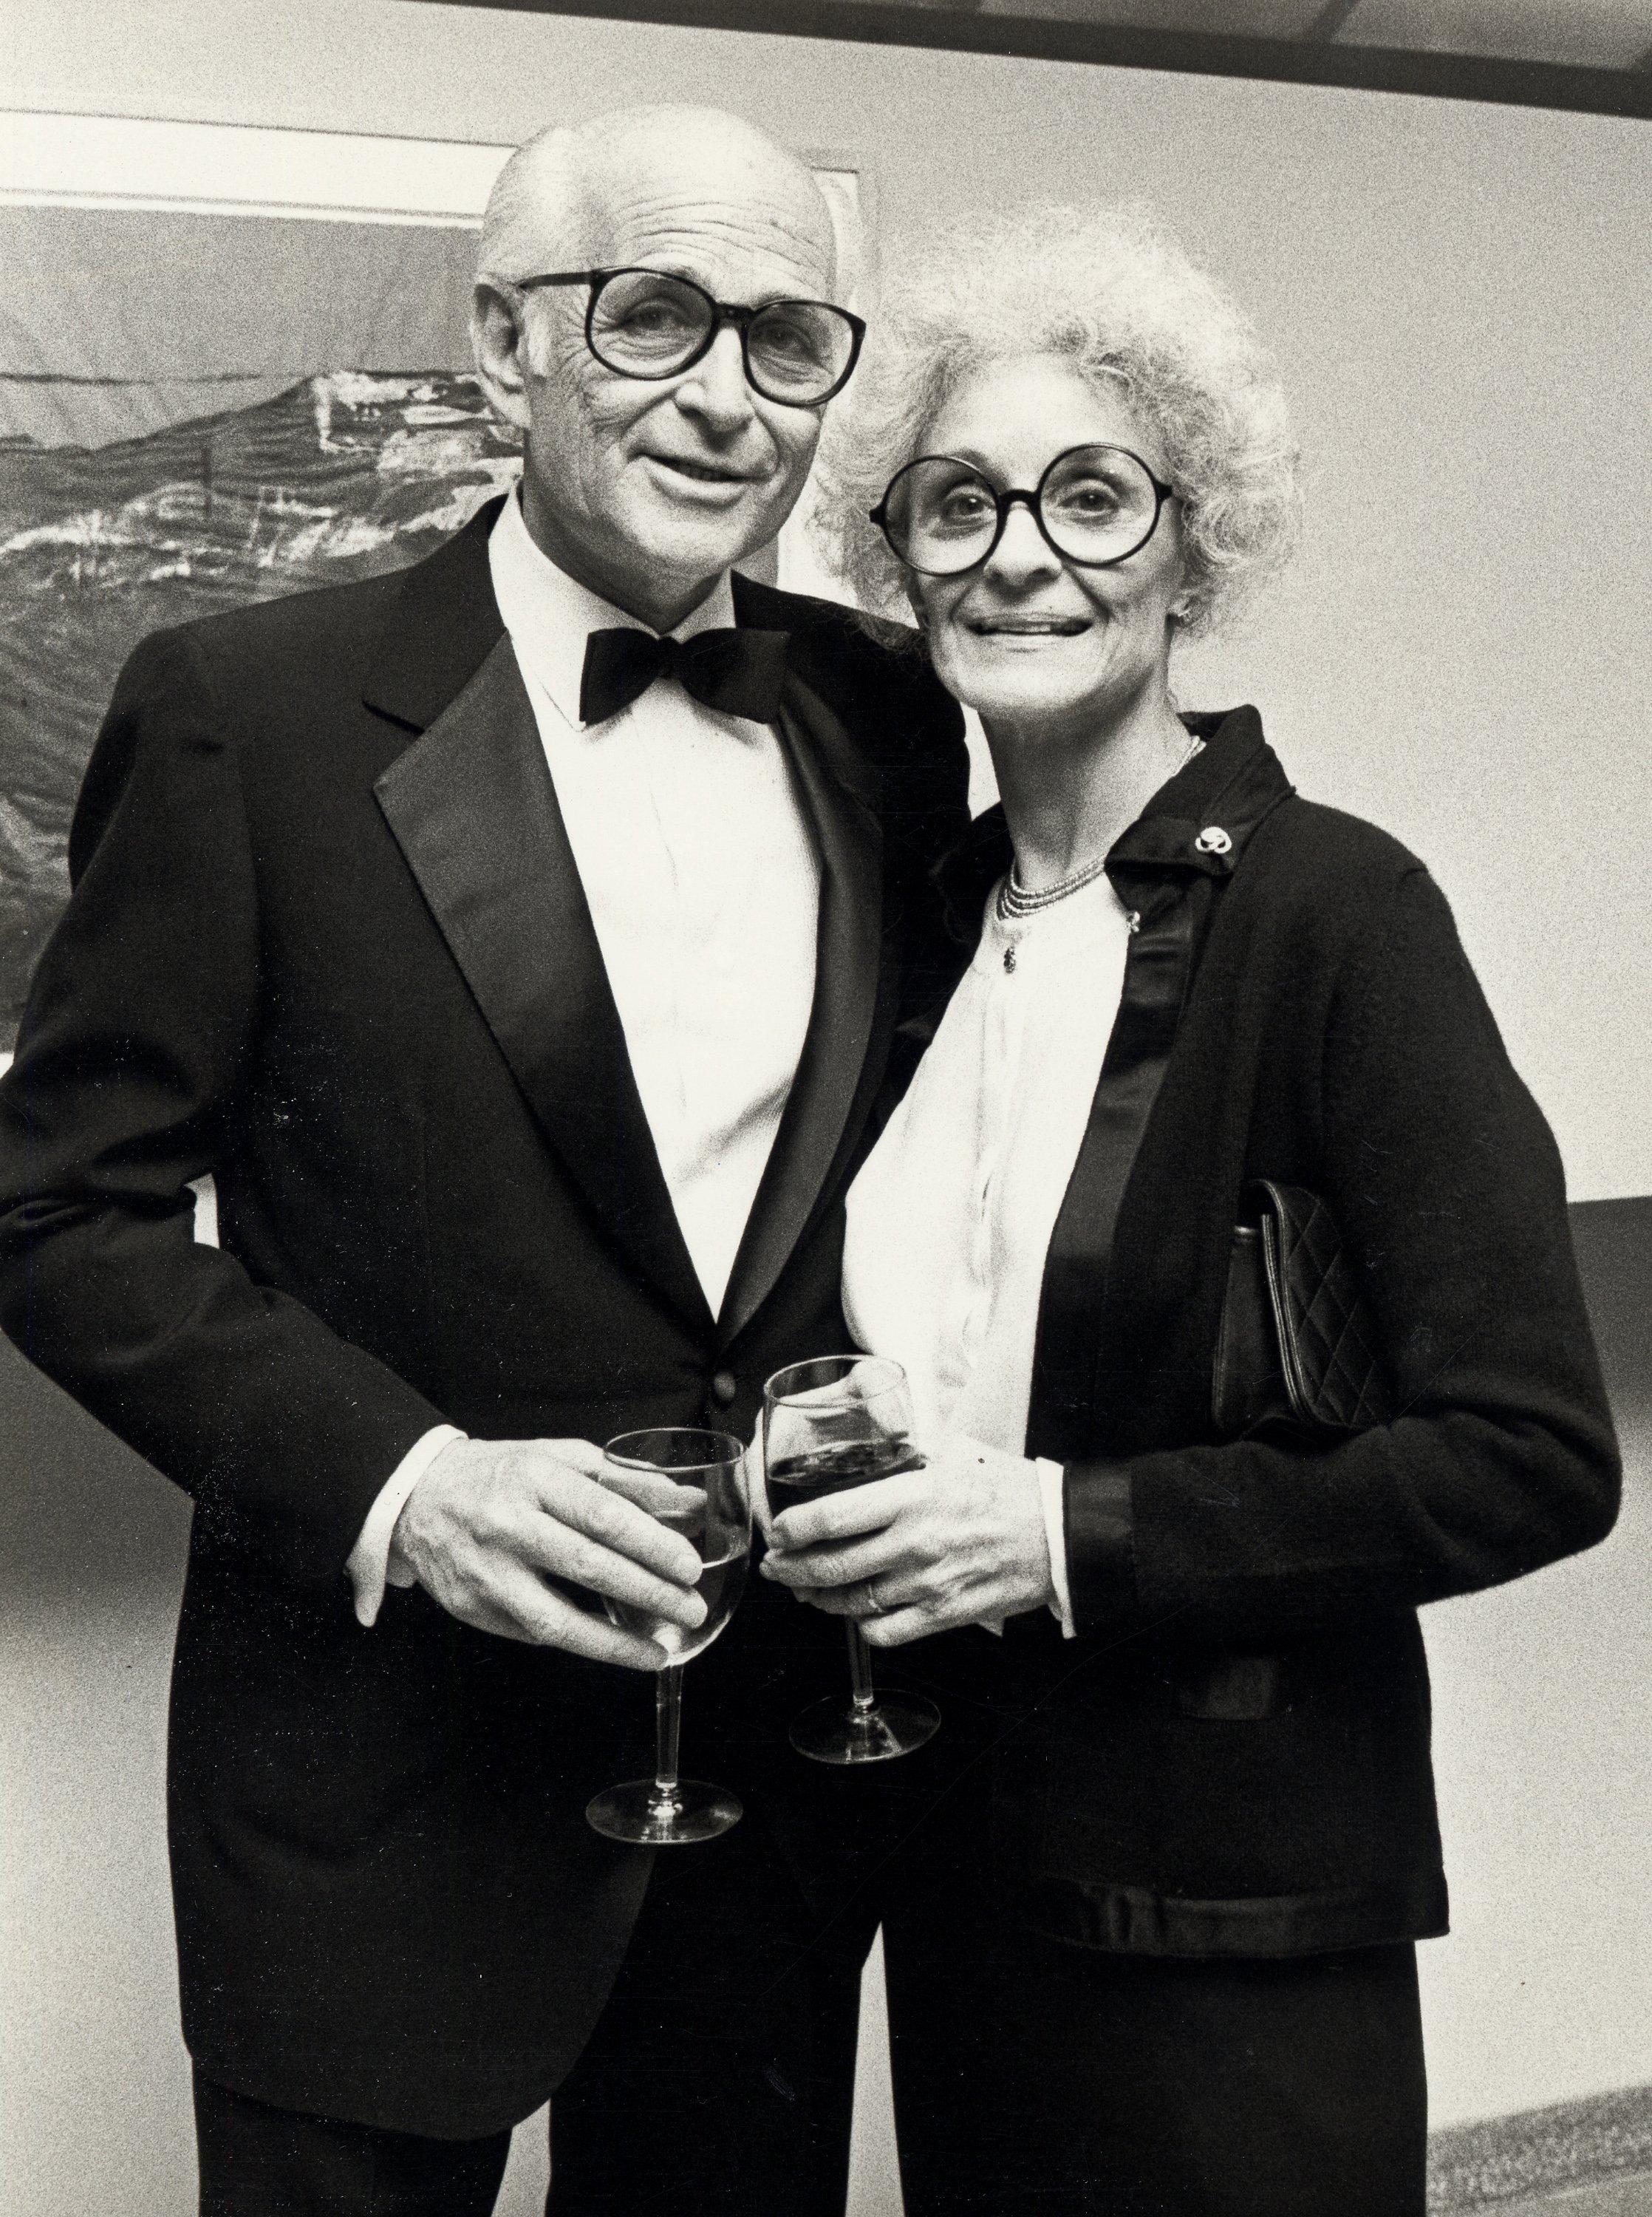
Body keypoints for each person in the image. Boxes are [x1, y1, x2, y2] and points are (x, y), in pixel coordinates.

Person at [0, 107, 967, 2216]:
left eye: (787, 339)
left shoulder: (885, 713)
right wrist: (406, 1487)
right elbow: (54, 1206)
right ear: (505, 346)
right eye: (656, 319)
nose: (726, 395)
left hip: (775, 1759)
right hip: (375, 1770)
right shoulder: (239, 713)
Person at [762, 202, 1622, 2216]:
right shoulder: (919, 927)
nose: (1019, 550)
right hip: (962, 1871)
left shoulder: (1337, 912)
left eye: (1090, 494)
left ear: (1191, 541)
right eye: (956, 503)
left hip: (1233, 1915)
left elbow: (1525, 1458)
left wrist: (1058, 1531)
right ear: (899, 567)